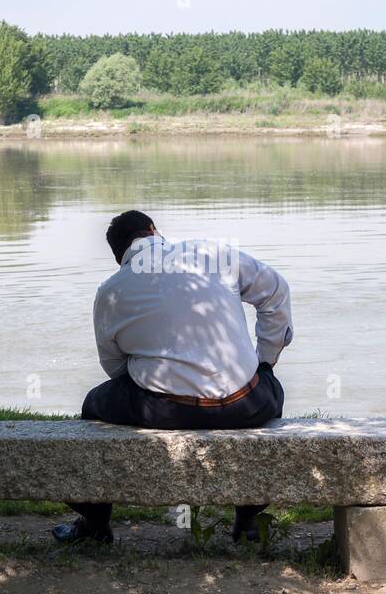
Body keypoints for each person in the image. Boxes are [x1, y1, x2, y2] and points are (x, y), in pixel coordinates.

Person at [53, 210, 293, 545]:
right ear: (153, 231)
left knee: (95, 403)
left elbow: (116, 368)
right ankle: (248, 519)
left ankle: (95, 523)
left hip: (164, 410)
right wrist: (264, 362)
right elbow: (276, 291)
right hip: (247, 402)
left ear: (118, 256)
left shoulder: (111, 291)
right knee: (272, 387)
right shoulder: (211, 252)